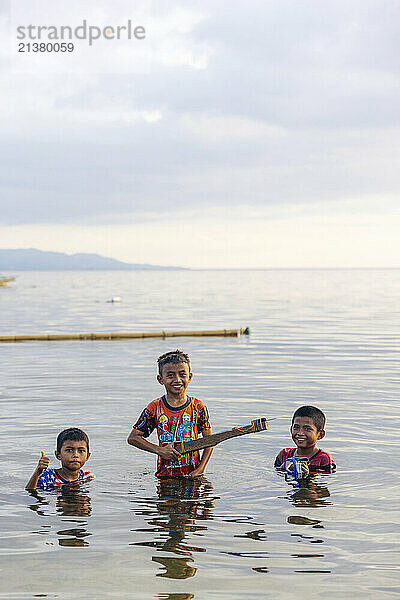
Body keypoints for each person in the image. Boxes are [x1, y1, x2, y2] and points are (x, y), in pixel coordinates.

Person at [127, 350, 213, 478]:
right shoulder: (155, 408)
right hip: (164, 476)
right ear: (160, 379)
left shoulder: (198, 407)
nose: (177, 380)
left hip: (193, 475)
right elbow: (133, 438)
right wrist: (159, 450)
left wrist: (200, 469)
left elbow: (210, 441)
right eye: (171, 375)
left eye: (182, 374)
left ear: (190, 377)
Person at [25, 427, 94, 490]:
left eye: (81, 451)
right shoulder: (49, 477)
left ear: (87, 456)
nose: (75, 455)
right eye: (69, 450)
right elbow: (30, 491)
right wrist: (37, 472)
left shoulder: (87, 477)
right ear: (58, 455)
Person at [274, 406, 336, 475]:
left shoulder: (324, 459)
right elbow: (275, 478)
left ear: (320, 435)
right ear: (291, 429)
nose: (300, 433)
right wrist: (284, 468)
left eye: (307, 429)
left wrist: (307, 477)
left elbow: (323, 483)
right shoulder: (284, 454)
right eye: (296, 427)